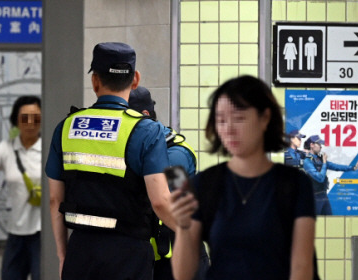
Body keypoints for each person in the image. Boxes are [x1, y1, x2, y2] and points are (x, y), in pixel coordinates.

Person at [46, 42, 175, 280]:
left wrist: (63, 255)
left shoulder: (66, 127)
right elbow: (160, 202)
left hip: (81, 252)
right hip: (130, 254)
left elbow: (55, 200)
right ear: (135, 79)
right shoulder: (148, 131)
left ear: (95, 81)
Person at [170, 75, 316, 280]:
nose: (228, 129)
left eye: (239, 118)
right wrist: (183, 227)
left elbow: (302, 267)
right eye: (221, 120)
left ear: (264, 118)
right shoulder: (204, 184)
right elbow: (183, 275)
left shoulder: (293, 184)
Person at [129, 86, 207, 280]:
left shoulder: (176, 154)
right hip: (153, 256)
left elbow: (163, 196)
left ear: (144, 114)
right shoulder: (140, 149)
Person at [0, 96, 42, 280]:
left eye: (36, 118)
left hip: (43, 233)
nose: (30, 123)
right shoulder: (6, 149)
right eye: (24, 118)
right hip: (16, 233)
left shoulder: (48, 148)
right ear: (16, 120)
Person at [303, 135, 358, 215]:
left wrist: (353, 168)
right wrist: (324, 163)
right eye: (319, 144)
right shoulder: (307, 161)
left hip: (323, 195)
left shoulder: (320, 159)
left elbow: (336, 166)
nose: (321, 146)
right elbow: (320, 178)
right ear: (312, 145)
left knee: (329, 221)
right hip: (314, 197)